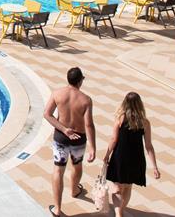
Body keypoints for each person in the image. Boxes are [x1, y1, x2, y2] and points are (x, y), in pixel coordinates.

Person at [44, 67, 96, 217]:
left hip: (61, 137)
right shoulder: (86, 100)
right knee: (77, 165)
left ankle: (57, 209)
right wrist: (93, 147)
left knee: (58, 170)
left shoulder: (57, 94)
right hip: (78, 139)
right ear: (80, 81)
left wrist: (63, 129)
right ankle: (74, 190)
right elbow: (89, 125)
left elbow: (47, 114)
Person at [103, 92, 160, 217]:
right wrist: (155, 167)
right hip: (136, 158)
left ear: (125, 103)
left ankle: (118, 213)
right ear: (140, 104)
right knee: (128, 187)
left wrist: (107, 155)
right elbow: (149, 146)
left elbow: (114, 139)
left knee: (117, 188)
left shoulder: (120, 119)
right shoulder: (144, 122)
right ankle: (120, 211)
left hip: (120, 157)